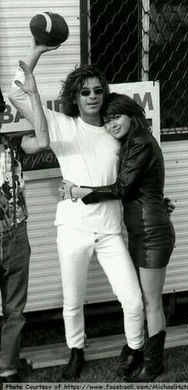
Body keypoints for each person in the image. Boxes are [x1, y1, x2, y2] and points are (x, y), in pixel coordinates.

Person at [8, 41, 145, 381]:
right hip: (72, 229)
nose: (93, 96)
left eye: (98, 90)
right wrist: (37, 51)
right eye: (85, 92)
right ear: (76, 96)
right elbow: (17, 94)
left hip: (112, 230)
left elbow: (137, 176)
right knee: (73, 301)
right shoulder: (63, 125)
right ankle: (76, 352)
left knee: (133, 300)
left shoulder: (118, 131)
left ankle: (135, 350)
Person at [61, 92, 176, 382]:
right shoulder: (131, 143)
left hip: (150, 232)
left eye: (117, 117)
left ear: (131, 114)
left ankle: (152, 366)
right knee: (147, 300)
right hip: (142, 228)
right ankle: (145, 357)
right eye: (107, 119)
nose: (111, 124)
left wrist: (80, 192)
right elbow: (143, 188)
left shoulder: (139, 142)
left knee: (150, 302)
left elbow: (122, 188)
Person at [0, 88, 31, 383]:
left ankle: (8, 368)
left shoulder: (11, 146)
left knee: (14, 309)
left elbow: (44, 139)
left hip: (17, 234)